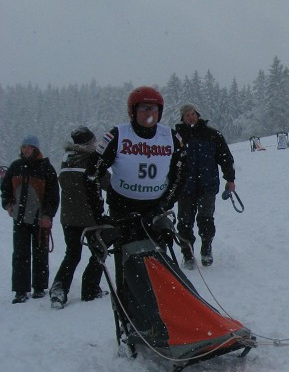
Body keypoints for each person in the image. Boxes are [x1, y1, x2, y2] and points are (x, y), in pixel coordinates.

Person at [84, 86, 186, 304]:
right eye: (143, 108)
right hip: (122, 211)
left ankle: (165, 314)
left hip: (155, 211)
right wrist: (99, 216)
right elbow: (92, 174)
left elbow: (180, 175)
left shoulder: (171, 137)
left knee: (158, 265)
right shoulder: (117, 135)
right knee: (128, 267)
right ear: (133, 111)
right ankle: (131, 317)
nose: (149, 113)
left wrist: (162, 206)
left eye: (154, 109)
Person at [49, 127, 107, 309]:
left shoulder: (66, 159)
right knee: (99, 252)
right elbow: (108, 183)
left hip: (68, 217)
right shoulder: (93, 160)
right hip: (91, 216)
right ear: (90, 143)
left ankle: (59, 289)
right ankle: (90, 288)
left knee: (72, 254)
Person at [173, 103, 236, 268]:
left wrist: (230, 179)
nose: (191, 117)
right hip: (185, 188)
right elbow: (168, 162)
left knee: (206, 220)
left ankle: (206, 249)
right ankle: (187, 254)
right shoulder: (176, 137)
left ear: (197, 114)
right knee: (184, 222)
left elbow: (225, 158)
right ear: (182, 118)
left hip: (207, 186)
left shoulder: (212, 134)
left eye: (193, 113)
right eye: (187, 115)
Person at [1, 135, 59, 303]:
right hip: (19, 218)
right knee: (20, 254)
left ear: (36, 149)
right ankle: (20, 290)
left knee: (40, 253)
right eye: (24, 146)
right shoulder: (15, 167)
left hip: (40, 219)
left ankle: (39, 288)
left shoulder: (46, 168)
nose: (26, 149)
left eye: (29, 147)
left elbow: (53, 195)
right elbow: (5, 189)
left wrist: (47, 215)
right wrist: (8, 204)